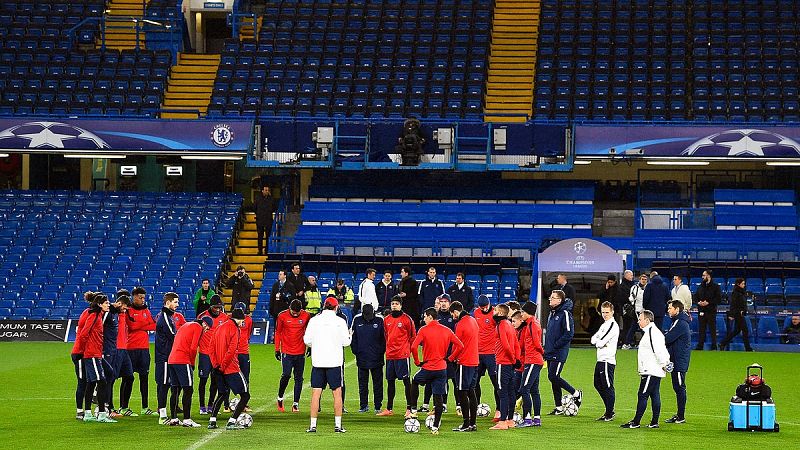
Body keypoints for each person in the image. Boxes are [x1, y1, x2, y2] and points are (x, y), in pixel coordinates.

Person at [409, 307, 465, 435]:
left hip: (428, 368)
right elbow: (460, 346)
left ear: (430, 317)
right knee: (438, 398)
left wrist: (417, 361)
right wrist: (450, 358)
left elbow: (413, 346)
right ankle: (435, 427)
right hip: (441, 369)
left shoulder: (423, 330)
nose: (423, 319)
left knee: (415, 380)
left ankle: (413, 410)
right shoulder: (447, 330)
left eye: (424, 317)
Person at [303, 297, 352, 433]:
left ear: (324, 306)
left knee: (315, 394)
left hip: (318, 362)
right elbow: (346, 343)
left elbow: (307, 340)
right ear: (336, 308)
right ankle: (338, 425)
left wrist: (317, 346)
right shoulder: (340, 321)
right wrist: (350, 335)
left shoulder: (314, 321)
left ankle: (312, 426)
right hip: (334, 362)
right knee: (337, 394)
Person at [620, 310, 672, 429]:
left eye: (640, 319)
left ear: (647, 320)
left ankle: (636, 422)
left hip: (651, 370)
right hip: (654, 369)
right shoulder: (652, 332)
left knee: (642, 395)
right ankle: (654, 422)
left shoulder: (652, 333)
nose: (638, 321)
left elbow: (659, 350)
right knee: (654, 395)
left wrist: (664, 363)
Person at [207, 307, 250, 430]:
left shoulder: (219, 327)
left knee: (222, 394)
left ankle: (212, 421)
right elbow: (231, 351)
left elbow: (211, 348)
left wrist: (216, 365)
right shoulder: (235, 330)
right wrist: (223, 366)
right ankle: (232, 421)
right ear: (239, 319)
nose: (243, 322)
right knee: (245, 395)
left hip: (218, 368)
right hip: (230, 368)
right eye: (243, 320)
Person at [76, 293, 117, 423]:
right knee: (101, 381)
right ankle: (101, 414)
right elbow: (83, 334)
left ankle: (88, 413)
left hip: (96, 353)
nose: (108, 305)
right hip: (91, 353)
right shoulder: (93, 315)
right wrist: (82, 351)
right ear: (99, 304)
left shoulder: (98, 315)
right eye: (106, 303)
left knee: (95, 380)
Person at [167, 316, 212, 427]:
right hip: (183, 360)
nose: (206, 331)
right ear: (204, 324)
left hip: (172, 359)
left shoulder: (186, 325)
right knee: (188, 389)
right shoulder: (198, 327)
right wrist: (191, 363)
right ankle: (187, 419)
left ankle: (174, 418)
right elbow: (193, 347)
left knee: (175, 390)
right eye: (207, 328)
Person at [544, 290, 582, 415]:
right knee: (553, 378)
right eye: (550, 297)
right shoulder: (552, 313)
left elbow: (569, 333)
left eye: (553, 297)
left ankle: (576, 393)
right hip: (550, 351)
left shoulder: (565, 313)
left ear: (559, 300)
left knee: (553, 376)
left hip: (559, 351)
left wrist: (556, 346)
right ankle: (559, 407)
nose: (550, 299)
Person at [378, 295, 416, 418]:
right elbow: (385, 336)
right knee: (390, 382)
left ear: (401, 305)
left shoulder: (407, 319)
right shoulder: (386, 319)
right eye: (393, 303)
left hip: (402, 355)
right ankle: (389, 408)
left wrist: (407, 350)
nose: (394, 305)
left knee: (406, 382)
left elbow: (412, 336)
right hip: (390, 355)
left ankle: (409, 408)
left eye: (396, 303)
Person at [275, 299, 311, 413]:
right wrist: (277, 349)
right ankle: (280, 398)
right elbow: (278, 332)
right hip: (287, 351)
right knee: (286, 375)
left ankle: (296, 403)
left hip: (300, 352)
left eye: (297, 312)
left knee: (299, 378)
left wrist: (310, 346)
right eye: (293, 312)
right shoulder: (282, 316)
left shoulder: (306, 316)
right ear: (289, 308)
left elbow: (309, 331)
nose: (295, 314)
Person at [421, 294, 456, 413]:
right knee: (431, 380)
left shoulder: (453, 318)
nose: (443, 303)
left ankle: (444, 404)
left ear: (450, 303)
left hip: (449, 356)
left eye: (446, 301)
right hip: (433, 355)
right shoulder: (435, 317)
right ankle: (426, 404)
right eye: (442, 301)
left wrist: (453, 355)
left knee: (447, 380)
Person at [449, 300, 479, 431]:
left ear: (456, 312)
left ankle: (466, 424)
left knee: (462, 392)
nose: (452, 317)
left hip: (464, 362)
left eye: (452, 314)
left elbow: (459, 345)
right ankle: (473, 423)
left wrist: (450, 358)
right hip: (474, 361)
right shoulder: (473, 320)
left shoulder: (460, 324)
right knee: (472, 392)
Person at [488, 303, 519, 430]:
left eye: (495, 310)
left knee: (502, 392)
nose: (493, 312)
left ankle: (502, 422)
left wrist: (511, 359)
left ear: (500, 313)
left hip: (503, 363)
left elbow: (506, 346)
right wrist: (516, 360)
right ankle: (510, 420)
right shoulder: (510, 325)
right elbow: (516, 344)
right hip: (510, 364)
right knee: (511, 392)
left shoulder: (501, 325)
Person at [125, 286, 156, 416]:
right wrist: (144, 324)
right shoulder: (128, 310)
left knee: (144, 378)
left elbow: (154, 325)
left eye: (144, 297)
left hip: (144, 349)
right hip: (130, 348)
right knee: (128, 378)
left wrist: (140, 324)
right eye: (140, 297)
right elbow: (131, 326)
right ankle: (123, 407)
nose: (143, 300)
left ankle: (145, 407)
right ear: (134, 297)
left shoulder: (146, 310)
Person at [196, 295, 229, 415]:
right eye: (216, 307)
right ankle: (201, 406)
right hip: (204, 353)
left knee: (215, 381)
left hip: (217, 354)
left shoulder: (224, 318)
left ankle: (211, 405)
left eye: (220, 307)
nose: (218, 309)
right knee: (203, 380)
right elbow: (197, 333)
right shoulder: (202, 316)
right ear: (211, 306)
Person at [350, 304, 385, 414]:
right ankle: (363, 405)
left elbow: (384, 338)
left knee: (378, 384)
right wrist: (356, 351)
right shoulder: (357, 319)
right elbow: (353, 337)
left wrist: (380, 351)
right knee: (362, 384)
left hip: (377, 358)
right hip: (362, 358)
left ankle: (377, 406)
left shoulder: (380, 320)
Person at [473, 294, 501, 421]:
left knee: (496, 382)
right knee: (474, 381)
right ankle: (475, 406)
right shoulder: (476, 313)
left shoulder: (495, 314)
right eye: (481, 307)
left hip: (491, 353)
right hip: (477, 353)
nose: (484, 309)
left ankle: (499, 409)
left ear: (489, 304)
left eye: (486, 307)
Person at [516, 302, 544, 428]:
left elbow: (537, 344)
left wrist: (542, 353)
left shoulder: (532, 324)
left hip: (532, 360)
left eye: (523, 312)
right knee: (534, 390)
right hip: (534, 360)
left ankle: (527, 418)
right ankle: (537, 419)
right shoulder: (532, 323)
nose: (521, 314)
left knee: (524, 389)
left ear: (528, 313)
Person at [155, 292, 181, 424]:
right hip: (164, 356)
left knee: (166, 384)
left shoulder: (168, 316)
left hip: (166, 355)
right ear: (168, 302)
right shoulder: (165, 316)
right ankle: (163, 416)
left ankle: (164, 413)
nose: (177, 304)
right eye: (175, 302)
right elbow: (172, 335)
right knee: (164, 384)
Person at [591, 301, 619, 422]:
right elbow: (593, 339)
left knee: (608, 386)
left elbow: (600, 342)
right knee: (597, 384)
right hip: (601, 359)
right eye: (603, 312)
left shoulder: (613, 325)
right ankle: (608, 409)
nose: (605, 314)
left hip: (607, 360)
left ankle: (609, 412)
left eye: (607, 312)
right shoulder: (604, 325)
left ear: (612, 312)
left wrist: (600, 342)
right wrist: (600, 342)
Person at [664, 300, 691, 424]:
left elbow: (668, 338)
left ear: (677, 310)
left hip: (679, 361)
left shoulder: (680, 323)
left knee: (680, 387)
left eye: (670, 308)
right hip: (677, 359)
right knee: (677, 387)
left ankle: (681, 416)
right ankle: (679, 415)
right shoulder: (677, 322)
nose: (668, 310)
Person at [70, 292, 95, 420]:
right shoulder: (89, 314)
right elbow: (84, 335)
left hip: (88, 353)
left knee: (92, 380)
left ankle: (90, 404)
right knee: (82, 382)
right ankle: (80, 411)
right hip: (80, 353)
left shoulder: (89, 312)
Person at [111, 291, 135, 417]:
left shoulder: (124, 314)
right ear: (119, 303)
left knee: (129, 377)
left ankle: (124, 407)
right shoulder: (111, 313)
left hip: (124, 350)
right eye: (125, 306)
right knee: (111, 379)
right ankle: (109, 408)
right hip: (115, 350)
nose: (126, 309)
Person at [719, 278, 753, 352]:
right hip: (738, 313)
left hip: (740, 313)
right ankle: (748, 348)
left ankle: (723, 343)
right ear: (738, 284)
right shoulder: (736, 293)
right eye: (742, 284)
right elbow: (733, 304)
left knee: (737, 331)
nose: (744, 285)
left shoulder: (741, 292)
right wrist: (732, 314)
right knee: (745, 330)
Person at [695, 270, 721, 350]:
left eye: (704, 275)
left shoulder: (716, 287)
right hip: (701, 310)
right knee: (701, 329)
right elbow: (696, 297)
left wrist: (708, 302)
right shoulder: (700, 286)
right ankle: (700, 345)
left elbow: (718, 299)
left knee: (712, 329)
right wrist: (698, 302)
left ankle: (714, 346)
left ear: (709, 276)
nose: (702, 277)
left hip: (711, 311)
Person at [236, 302, 254, 412]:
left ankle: (244, 404)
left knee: (246, 377)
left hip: (243, 352)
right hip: (233, 352)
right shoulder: (229, 320)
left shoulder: (249, 320)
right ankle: (227, 404)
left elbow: (248, 334)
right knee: (228, 377)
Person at [623, 274, 648, 349]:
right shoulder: (634, 287)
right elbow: (631, 298)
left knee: (641, 328)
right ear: (639, 279)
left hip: (646, 311)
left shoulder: (648, 288)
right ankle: (627, 343)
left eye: (645, 279)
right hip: (637, 311)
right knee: (636, 327)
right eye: (642, 279)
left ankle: (644, 344)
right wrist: (633, 299)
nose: (643, 281)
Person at [254, 185, 276, 255]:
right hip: (260, 220)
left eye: (268, 190)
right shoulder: (258, 198)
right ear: (262, 191)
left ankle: (267, 250)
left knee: (268, 236)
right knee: (260, 236)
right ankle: (260, 250)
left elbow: (274, 207)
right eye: (265, 190)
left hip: (268, 220)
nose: (267, 191)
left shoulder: (271, 199)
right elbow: (254, 208)